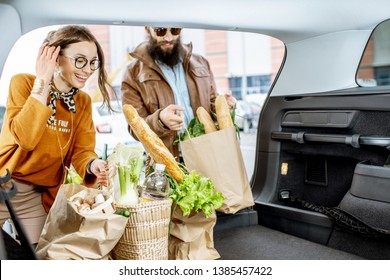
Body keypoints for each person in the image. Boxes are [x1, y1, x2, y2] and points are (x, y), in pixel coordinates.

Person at [0, 25, 116, 245]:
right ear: (55, 56)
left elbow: (83, 151)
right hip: (3, 183)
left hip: (34, 196)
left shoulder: (82, 102)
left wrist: (93, 165)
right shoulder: (23, 84)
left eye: (93, 62)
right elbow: (26, 139)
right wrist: (42, 80)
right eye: (80, 60)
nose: (88, 69)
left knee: (35, 257)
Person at [121, 26, 236, 160]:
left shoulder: (202, 63)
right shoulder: (132, 73)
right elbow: (135, 128)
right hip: (168, 163)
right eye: (161, 31)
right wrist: (160, 121)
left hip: (207, 156)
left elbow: (212, 109)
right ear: (148, 29)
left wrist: (225, 107)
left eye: (175, 30)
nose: (168, 38)